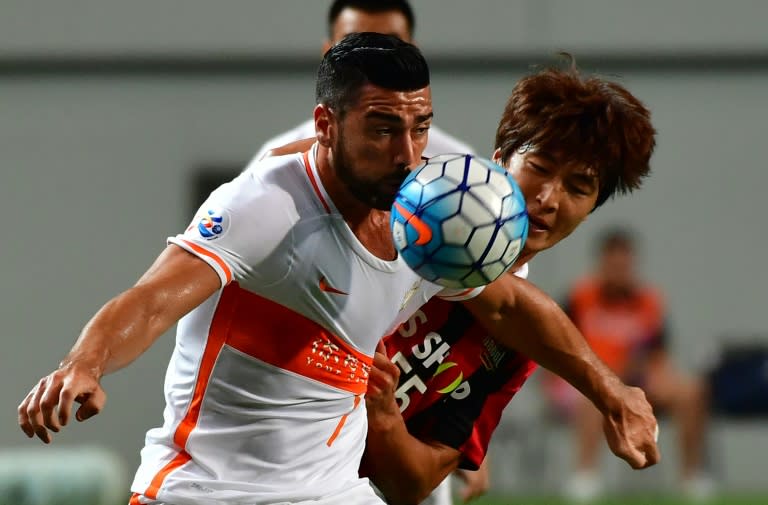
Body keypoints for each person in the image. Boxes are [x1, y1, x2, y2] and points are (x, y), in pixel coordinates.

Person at [17, 33, 658, 505]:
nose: (406, 151)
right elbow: (153, 299)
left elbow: (511, 306)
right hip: (206, 490)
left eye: (419, 129)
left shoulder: (431, 226)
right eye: (383, 129)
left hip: (336, 492)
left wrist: (613, 393)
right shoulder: (271, 203)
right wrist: (85, 363)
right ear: (329, 123)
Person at [266, 61, 660, 505]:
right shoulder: (413, 202)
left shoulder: (517, 346)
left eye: (578, 186)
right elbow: (276, 169)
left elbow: (415, 482)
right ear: (499, 161)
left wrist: (381, 414)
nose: (548, 198)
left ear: (591, 209)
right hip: (261, 442)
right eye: (540, 166)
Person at [547, 228, 714, 501]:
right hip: (584, 382)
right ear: (601, 263)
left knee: (691, 391)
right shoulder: (580, 298)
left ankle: (691, 477)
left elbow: (658, 354)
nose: (619, 271)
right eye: (613, 265)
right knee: (592, 394)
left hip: (635, 381)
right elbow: (555, 349)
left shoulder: (648, 301)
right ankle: (585, 476)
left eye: (624, 265)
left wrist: (656, 375)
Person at [253, 0, 475, 163]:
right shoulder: (277, 166)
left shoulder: (456, 163)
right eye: (354, 44)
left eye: (390, 43)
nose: (375, 60)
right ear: (326, 53)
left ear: (413, 51)